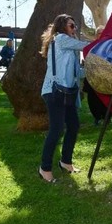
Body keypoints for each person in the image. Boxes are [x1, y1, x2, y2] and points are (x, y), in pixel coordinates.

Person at [39, 14, 89, 183]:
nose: (74, 29)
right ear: (62, 27)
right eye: (71, 26)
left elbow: (77, 73)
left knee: (73, 126)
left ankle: (65, 162)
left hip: (67, 92)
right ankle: (44, 168)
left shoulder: (70, 49)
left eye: (75, 26)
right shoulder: (60, 39)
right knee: (57, 128)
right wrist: (103, 42)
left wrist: (94, 70)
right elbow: (86, 45)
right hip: (54, 91)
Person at [83, 25, 111, 125]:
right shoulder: (92, 45)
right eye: (99, 33)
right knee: (93, 97)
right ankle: (97, 117)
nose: (101, 34)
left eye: (103, 32)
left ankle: (107, 117)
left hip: (106, 75)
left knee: (106, 97)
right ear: (96, 35)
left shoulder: (110, 45)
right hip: (93, 75)